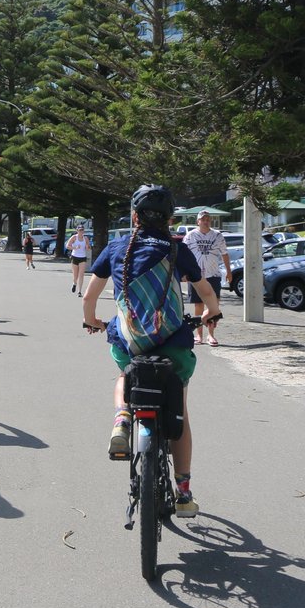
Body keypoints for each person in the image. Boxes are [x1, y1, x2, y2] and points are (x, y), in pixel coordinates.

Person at [82, 184, 221, 517]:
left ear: (134, 216)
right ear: (170, 218)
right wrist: (208, 314)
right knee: (180, 410)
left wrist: (94, 322)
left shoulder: (116, 248)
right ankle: (184, 493)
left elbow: (89, 299)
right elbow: (206, 293)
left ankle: (121, 419)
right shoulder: (177, 249)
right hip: (173, 344)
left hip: (130, 344)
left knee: (123, 375)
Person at [183, 210, 232, 346]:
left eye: (208, 219)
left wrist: (229, 271)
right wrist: (184, 272)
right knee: (199, 305)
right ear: (198, 221)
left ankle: (211, 335)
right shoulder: (191, 236)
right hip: (196, 276)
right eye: (202, 219)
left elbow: (225, 254)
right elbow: (184, 255)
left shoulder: (217, 235)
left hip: (213, 275)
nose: (205, 221)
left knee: (213, 306)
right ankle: (199, 336)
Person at [66, 224, 91, 296]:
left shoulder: (85, 238)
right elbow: (67, 246)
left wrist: (87, 247)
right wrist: (75, 248)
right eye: (79, 230)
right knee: (75, 275)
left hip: (82, 257)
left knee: (81, 275)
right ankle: (74, 283)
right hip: (74, 257)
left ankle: (79, 291)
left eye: (82, 230)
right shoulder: (74, 237)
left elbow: (88, 248)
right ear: (77, 231)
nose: (81, 232)